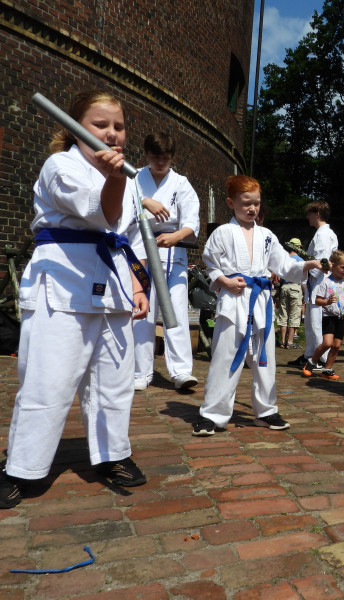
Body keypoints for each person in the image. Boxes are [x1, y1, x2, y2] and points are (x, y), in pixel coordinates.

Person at [1, 90, 150, 509]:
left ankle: (112, 454)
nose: (112, 133)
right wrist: (115, 179)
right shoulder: (60, 165)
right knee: (49, 379)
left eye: (119, 126)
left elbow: (129, 235)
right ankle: (22, 467)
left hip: (112, 283)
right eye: (100, 125)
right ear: (74, 128)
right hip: (63, 282)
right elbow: (100, 213)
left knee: (114, 379)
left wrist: (138, 286)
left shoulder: (126, 177)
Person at [192, 176, 324, 436]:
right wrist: (225, 281)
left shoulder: (266, 236)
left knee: (265, 359)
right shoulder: (223, 232)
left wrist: (306, 265)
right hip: (233, 301)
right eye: (246, 203)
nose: (252, 208)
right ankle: (213, 414)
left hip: (260, 302)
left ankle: (265, 410)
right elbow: (210, 264)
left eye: (256, 203)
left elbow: (284, 265)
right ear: (231, 203)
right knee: (225, 357)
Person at [133, 132, 200, 391]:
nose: (160, 163)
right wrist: (144, 201)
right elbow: (119, 209)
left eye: (165, 158)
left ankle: (181, 371)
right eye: (155, 157)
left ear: (172, 158)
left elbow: (191, 223)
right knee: (143, 311)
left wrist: (176, 236)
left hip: (173, 251)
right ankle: (140, 372)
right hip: (141, 248)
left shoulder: (181, 183)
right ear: (146, 155)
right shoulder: (134, 179)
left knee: (177, 311)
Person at [288, 202, 338, 370]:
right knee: (310, 322)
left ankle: (320, 358)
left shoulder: (324, 234)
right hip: (315, 282)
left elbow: (322, 261)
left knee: (316, 322)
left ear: (317, 213)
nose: (307, 217)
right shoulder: (322, 233)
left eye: (309, 213)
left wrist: (309, 274)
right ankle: (310, 354)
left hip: (319, 282)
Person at [303, 250, 344, 380]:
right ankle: (312, 362)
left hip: (341, 317)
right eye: (342, 267)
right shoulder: (325, 282)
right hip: (329, 316)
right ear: (333, 265)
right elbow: (317, 300)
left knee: (336, 345)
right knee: (327, 343)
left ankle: (327, 369)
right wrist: (327, 302)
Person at [276, 238, 305, 349]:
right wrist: (305, 292)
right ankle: (290, 342)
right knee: (294, 315)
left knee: (283, 315)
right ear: (298, 247)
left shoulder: (284, 259)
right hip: (295, 287)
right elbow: (303, 278)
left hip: (284, 287)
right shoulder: (300, 260)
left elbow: (279, 275)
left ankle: (282, 341)